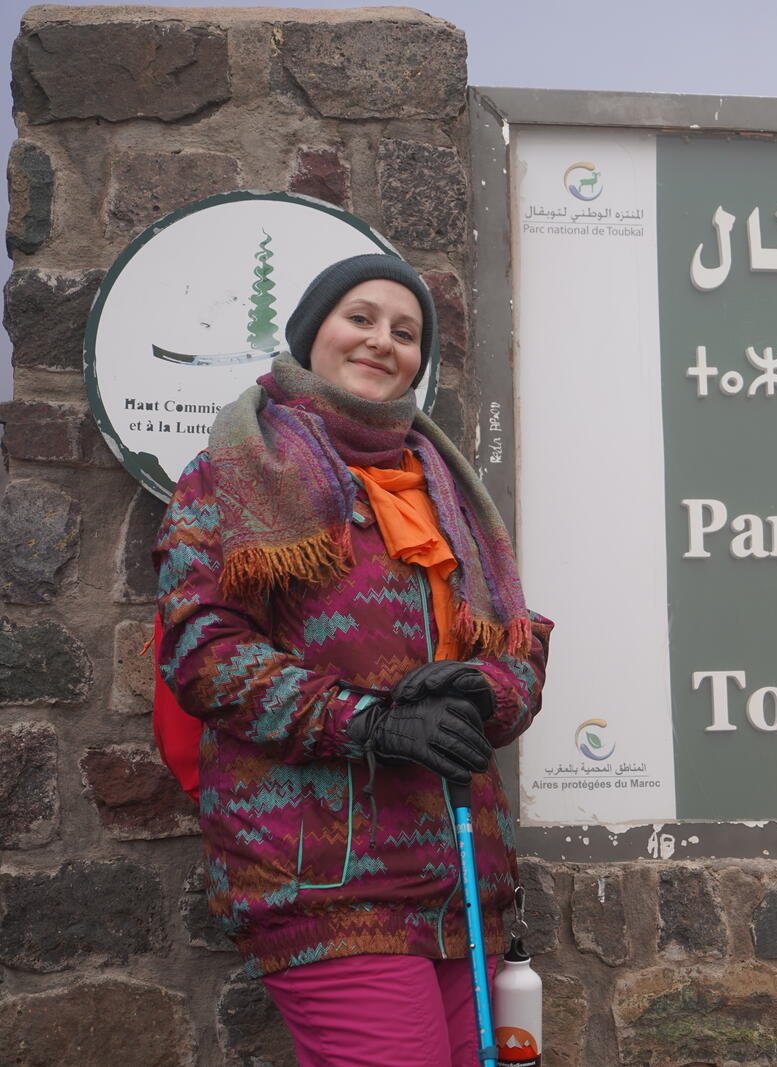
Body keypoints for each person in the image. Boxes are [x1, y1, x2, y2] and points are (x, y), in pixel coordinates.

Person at [154, 253, 551, 1066]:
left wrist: (482, 690)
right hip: (327, 882)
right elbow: (203, 650)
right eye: (360, 318)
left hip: (459, 882)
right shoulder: (233, 476)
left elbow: (519, 647)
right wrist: (371, 722)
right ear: (312, 333)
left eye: (406, 332)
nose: (383, 341)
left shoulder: (442, 487)